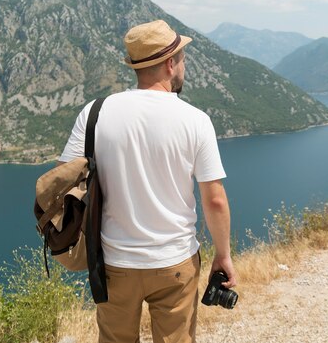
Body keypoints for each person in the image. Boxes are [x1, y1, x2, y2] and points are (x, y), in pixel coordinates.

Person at [57, 19, 237, 343]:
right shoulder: (195, 120)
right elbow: (215, 200)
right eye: (182, 59)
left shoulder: (94, 113)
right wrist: (223, 256)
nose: (183, 66)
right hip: (176, 265)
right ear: (170, 64)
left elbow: (64, 180)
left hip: (114, 263)